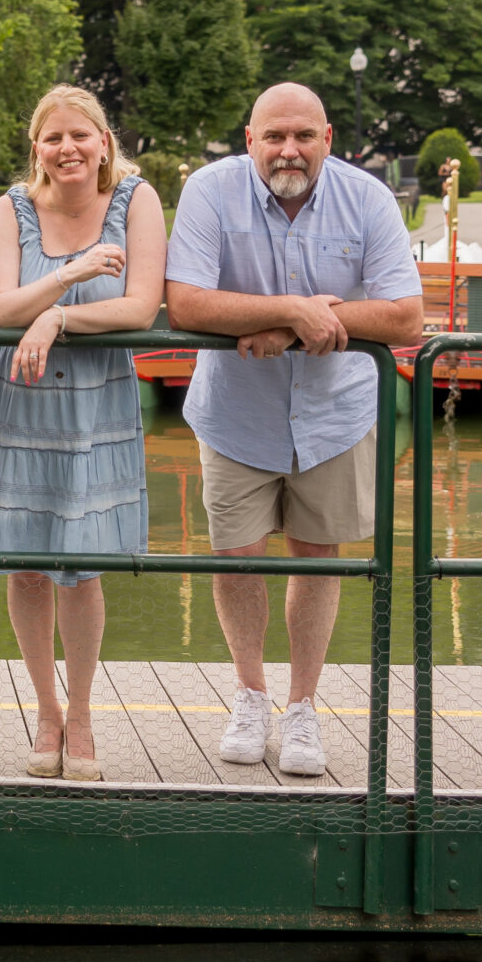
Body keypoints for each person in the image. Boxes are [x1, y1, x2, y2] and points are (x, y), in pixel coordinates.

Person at [165, 84, 424, 777]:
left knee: (318, 556)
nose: (289, 149)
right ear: (248, 137)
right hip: (235, 414)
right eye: (274, 135)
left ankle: (303, 706)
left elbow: (406, 317)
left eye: (304, 136)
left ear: (329, 137)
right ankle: (251, 696)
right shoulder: (209, 191)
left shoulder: (366, 199)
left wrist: (290, 324)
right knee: (237, 555)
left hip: (334, 414)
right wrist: (287, 310)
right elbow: (185, 302)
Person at [0, 87, 165, 782]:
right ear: (35, 146)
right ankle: (45, 707)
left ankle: (85, 711)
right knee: (29, 561)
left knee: (84, 562)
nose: (67, 148)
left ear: (104, 140)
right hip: (18, 396)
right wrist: (68, 276)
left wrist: (57, 318)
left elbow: (140, 308)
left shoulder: (138, 201)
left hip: (93, 405)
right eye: (51, 138)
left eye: (80, 135)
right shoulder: (12, 208)